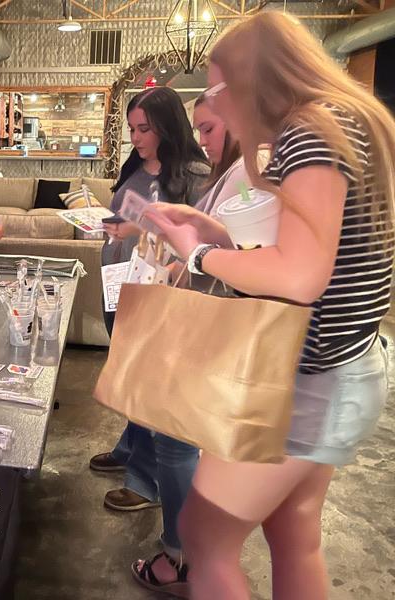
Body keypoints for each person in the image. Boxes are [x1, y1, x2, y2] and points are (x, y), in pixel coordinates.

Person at [144, 12, 395, 599]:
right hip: (341, 368)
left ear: (249, 80)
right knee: (293, 532)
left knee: (205, 537)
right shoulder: (344, 121)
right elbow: (314, 255)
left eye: (216, 91)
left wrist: (200, 255)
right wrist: (213, 232)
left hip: (309, 383)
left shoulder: (309, 130)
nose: (216, 107)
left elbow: (301, 276)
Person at [116, 93, 249, 597]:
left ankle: (183, 553)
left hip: (197, 322)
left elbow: (241, 259)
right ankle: (187, 550)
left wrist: (191, 255)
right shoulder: (229, 174)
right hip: (176, 307)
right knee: (172, 438)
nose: (203, 139)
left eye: (209, 128)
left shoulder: (238, 175)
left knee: (177, 443)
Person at [89, 86, 210, 590]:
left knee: (156, 397)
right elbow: (126, 217)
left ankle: (143, 481)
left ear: (167, 126)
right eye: (132, 129)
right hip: (122, 285)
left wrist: (140, 233)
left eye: (145, 129)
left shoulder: (195, 175)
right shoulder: (135, 169)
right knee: (132, 378)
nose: (137, 138)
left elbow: (198, 246)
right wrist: (115, 227)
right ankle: (130, 449)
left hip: (163, 298)